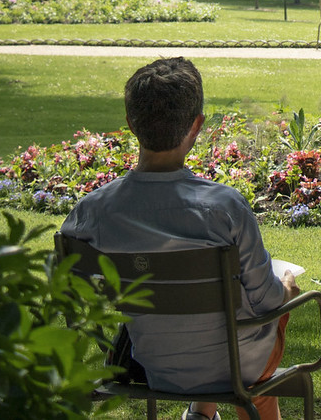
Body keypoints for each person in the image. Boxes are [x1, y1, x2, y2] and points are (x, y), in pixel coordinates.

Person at [61, 58, 298, 420]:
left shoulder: (92, 213)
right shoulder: (224, 209)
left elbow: (73, 289)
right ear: (197, 126)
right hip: (238, 367)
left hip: (154, 364)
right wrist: (288, 288)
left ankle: (200, 415)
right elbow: (266, 301)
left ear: (131, 125)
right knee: (257, 359)